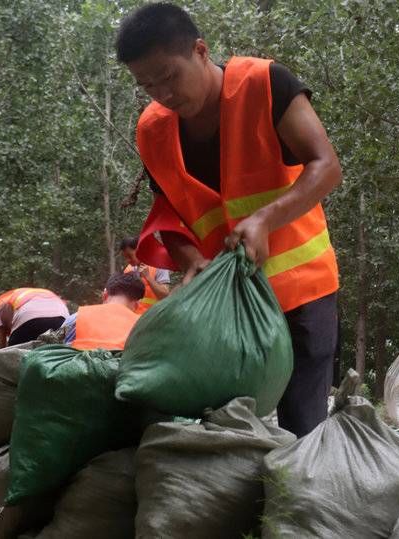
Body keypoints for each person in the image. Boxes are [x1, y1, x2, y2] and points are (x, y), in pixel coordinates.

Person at [115, 2, 341, 437]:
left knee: (303, 422)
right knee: (222, 423)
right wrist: (189, 259)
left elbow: (326, 165)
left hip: (301, 291)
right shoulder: (152, 130)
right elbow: (168, 209)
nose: (162, 94)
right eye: (147, 85)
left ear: (200, 50)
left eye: (169, 76)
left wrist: (265, 220)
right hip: (223, 305)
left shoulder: (265, 84)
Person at [61, 273, 145, 350]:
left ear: (104, 295)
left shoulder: (78, 317)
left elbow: (56, 348)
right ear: (137, 305)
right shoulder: (143, 326)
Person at [0, 288, 69, 347]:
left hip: (29, 318)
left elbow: (0, 344)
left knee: (13, 360)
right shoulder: (19, 296)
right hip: (62, 317)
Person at [119, 235, 170, 314]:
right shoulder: (128, 270)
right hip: (132, 319)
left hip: (152, 318)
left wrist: (148, 277)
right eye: (125, 257)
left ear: (139, 250)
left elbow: (165, 296)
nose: (128, 260)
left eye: (130, 256)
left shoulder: (158, 266)